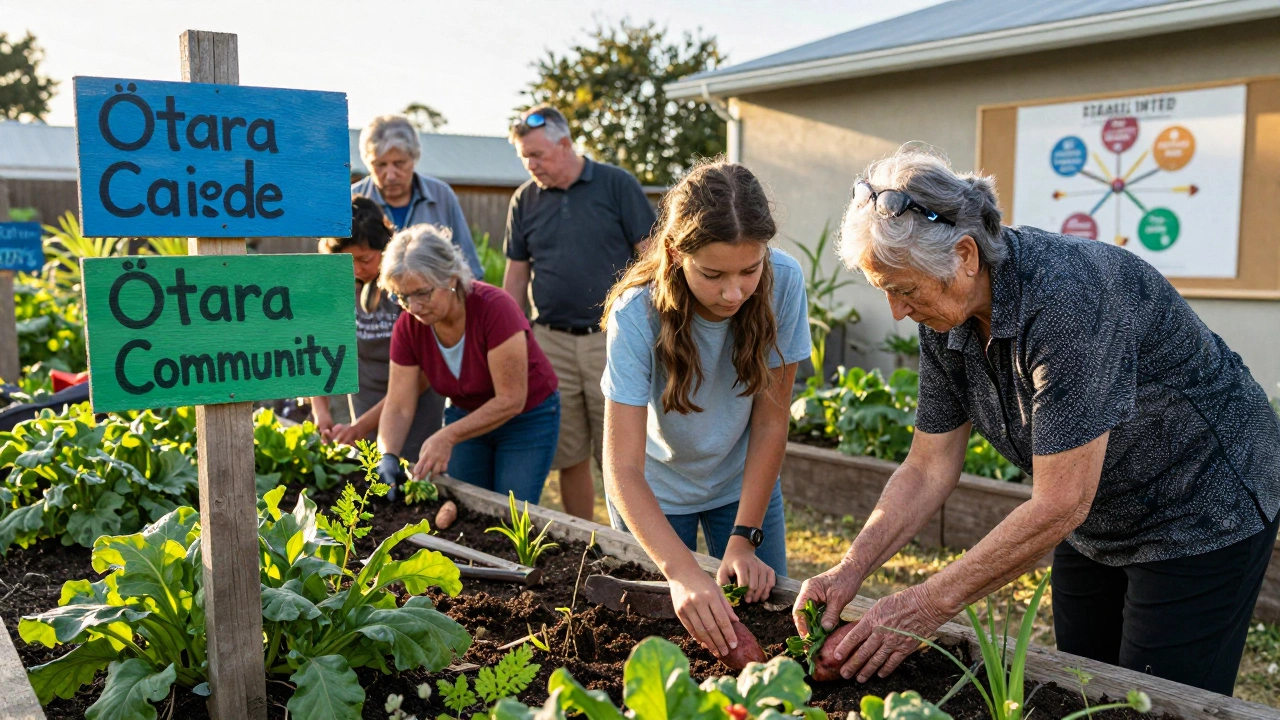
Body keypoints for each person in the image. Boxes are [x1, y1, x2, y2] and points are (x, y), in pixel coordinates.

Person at [794, 148, 1280, 695]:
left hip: (1201, 504)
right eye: (886, 290)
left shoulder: (1068, 300)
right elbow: (928, 466)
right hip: (1096, 511)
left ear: (966, 255)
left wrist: (924, 603)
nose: (897, 312)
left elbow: (1059, 501)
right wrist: (850, 569)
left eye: (903, 289)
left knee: (1156, 701)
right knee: (1080, 689)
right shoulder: (945, 315)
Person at [600, 160, 810, 659]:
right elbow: (621, 467)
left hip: (742, 486)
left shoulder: (784, 281)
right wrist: (682, 573)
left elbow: (770, 422)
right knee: (662, 648)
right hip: (653, 493)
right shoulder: (636, 313)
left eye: (749, 270)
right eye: (712, 274)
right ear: (674, 251)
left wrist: (745, 537)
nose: (734, 292)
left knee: (766, 630)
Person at [504, 106, 657, 520]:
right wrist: (512, 339)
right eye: (524, 157)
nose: (531, 165)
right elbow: (516, 276)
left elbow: (652, 258)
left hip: (611, 338)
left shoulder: (616, 184)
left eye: (537, 154)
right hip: (550, 340)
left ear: (565, 144)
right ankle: (584, 539)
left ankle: (629, 538)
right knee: (568, 452)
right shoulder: (525, 200)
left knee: (620, 452)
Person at [376, 224, 561, 504]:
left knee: (511, 509)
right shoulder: (409, 327)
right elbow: (399, 404)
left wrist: (447, 436)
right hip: (465, 412)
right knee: (465, 506)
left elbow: (511, 399)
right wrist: (388, 456)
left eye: (422, 293)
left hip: (527, 417)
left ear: (451, 278)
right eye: (402, 297)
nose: (413, 307)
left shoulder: (495, 309)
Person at [310, 197, 440, 462]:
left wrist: (361, 427)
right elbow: (320, 348)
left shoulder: (409, 284)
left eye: (365, 259)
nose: (357, 269)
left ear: (387, 247)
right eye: (348, 261)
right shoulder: (337, 287)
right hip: (366, 398)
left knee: (414, 471)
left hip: (417, 402)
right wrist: (320, 410)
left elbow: (423, 375)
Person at [352, 114, 484, 280]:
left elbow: (468, 266)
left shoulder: (441, 196)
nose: (391, 175)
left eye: (399, 163)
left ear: (414, 158)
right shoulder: (350, 202)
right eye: (380, 165)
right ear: (367, 162)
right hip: (367, 305)